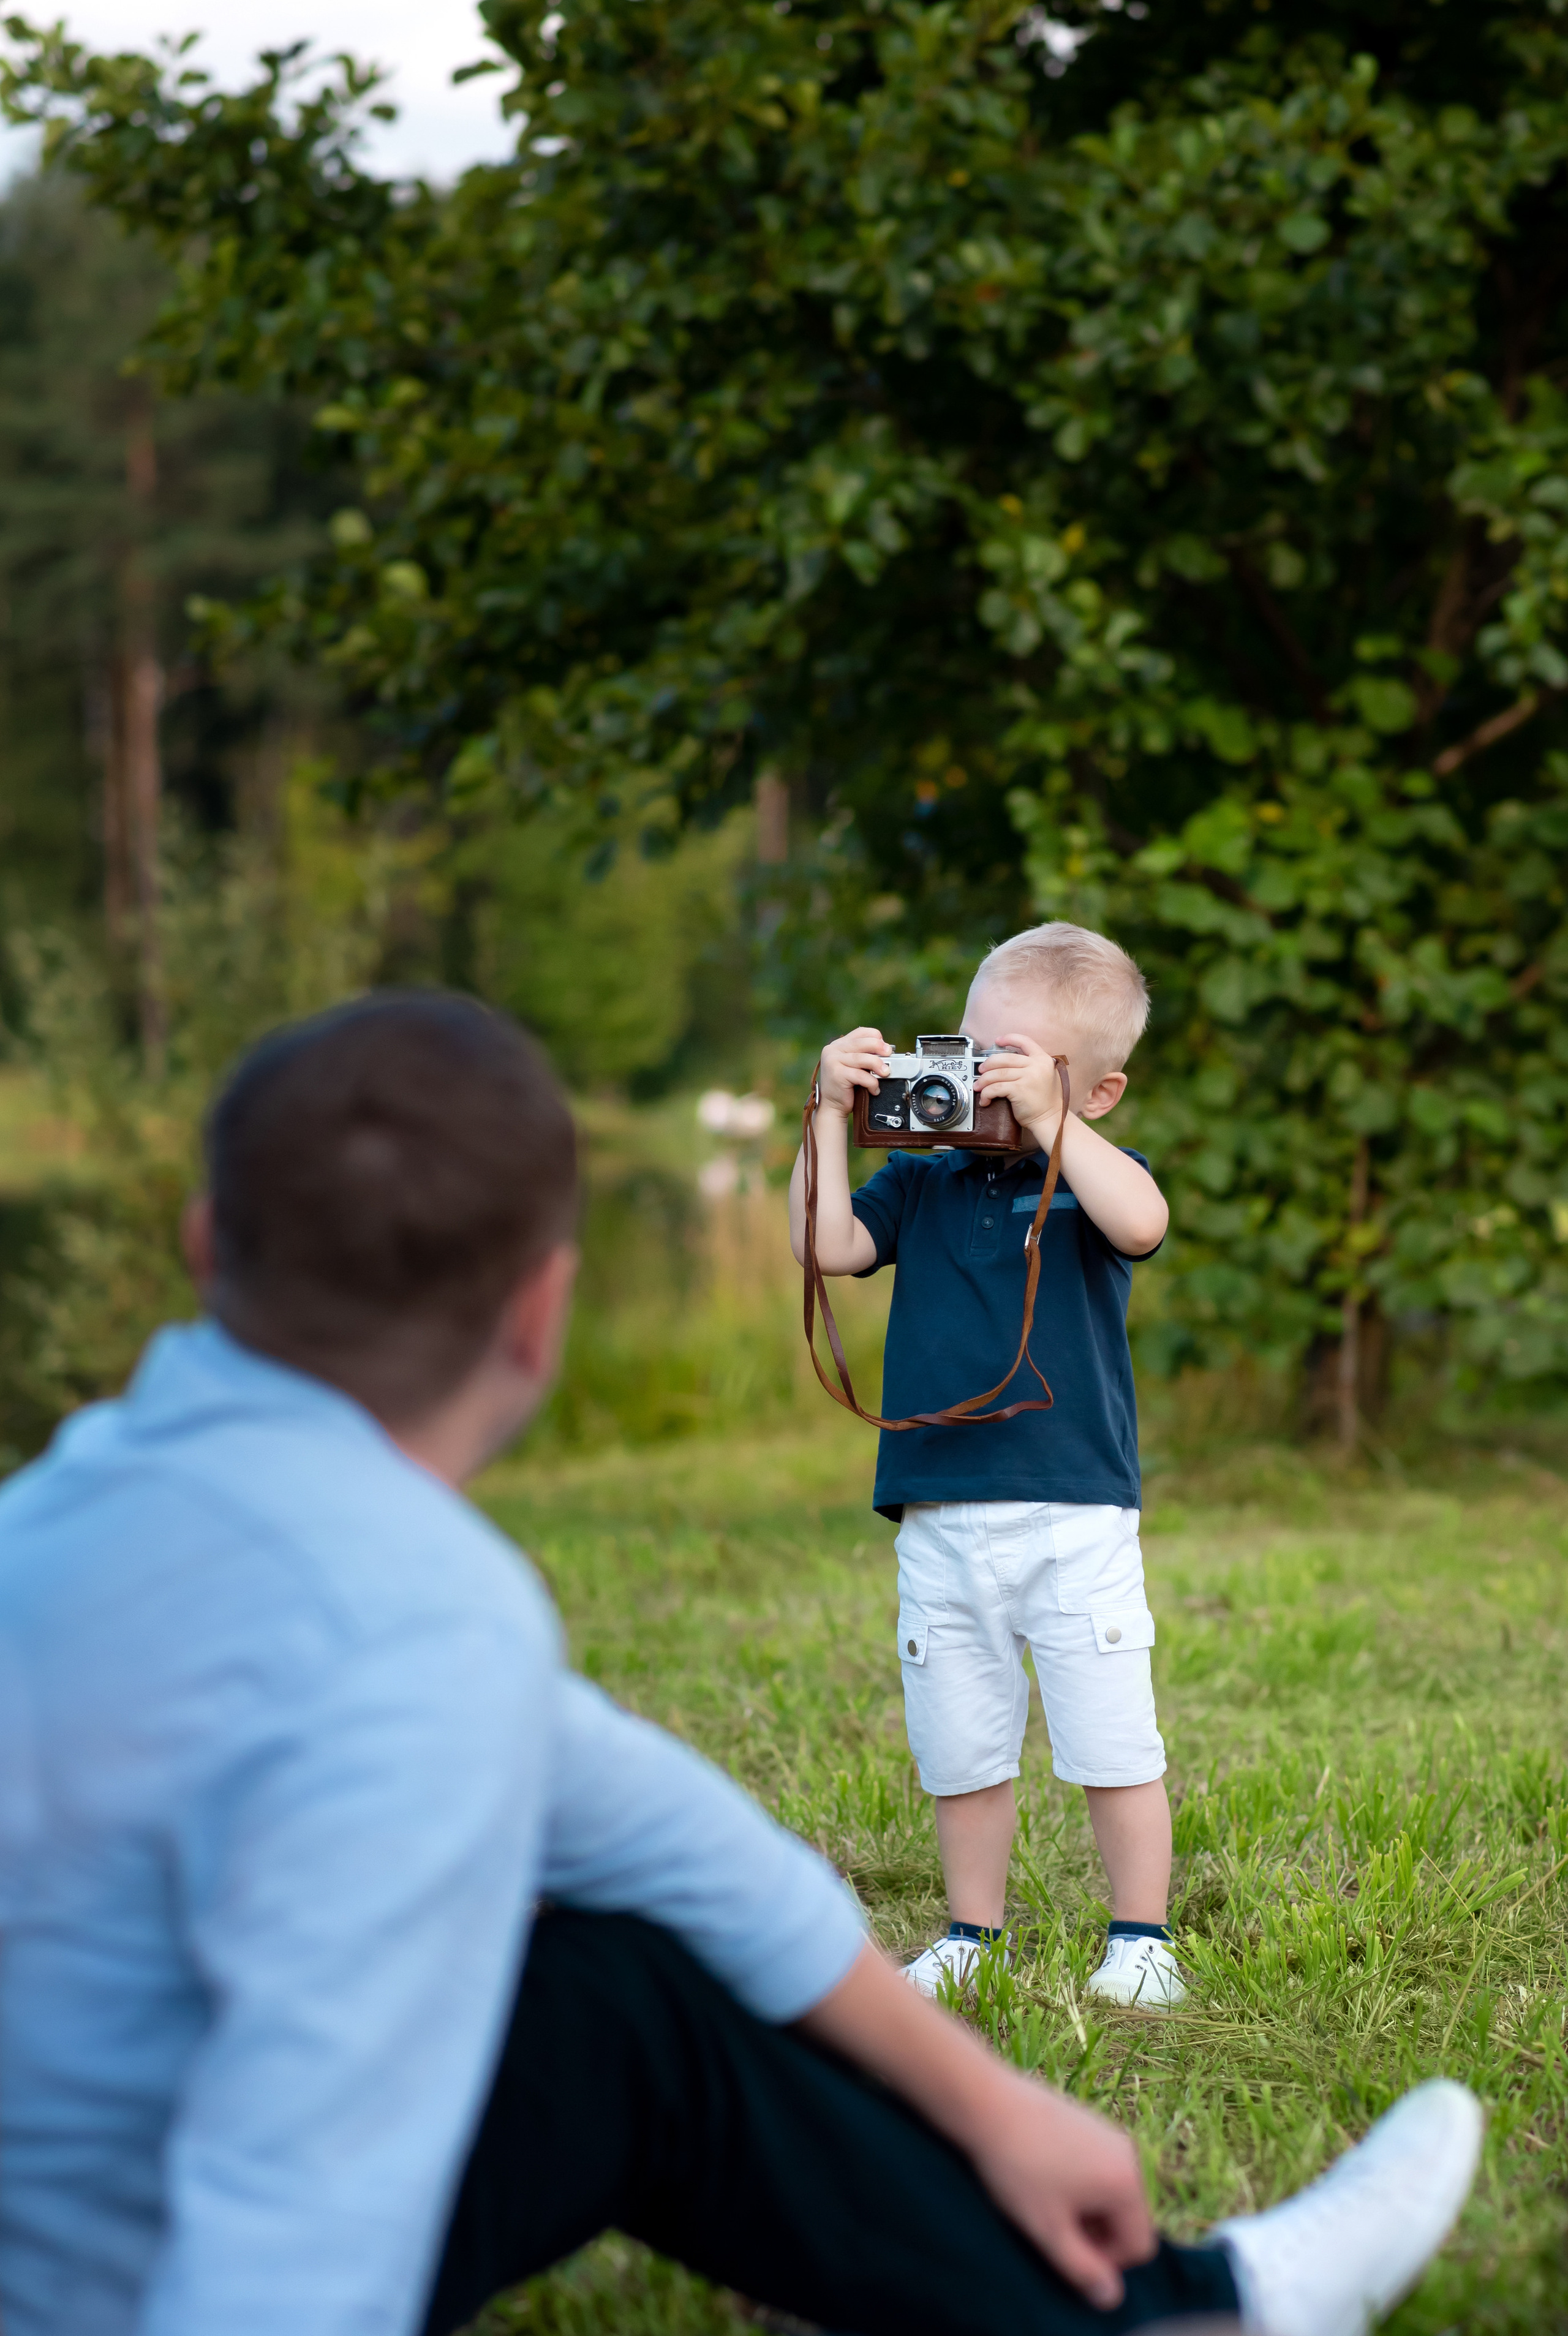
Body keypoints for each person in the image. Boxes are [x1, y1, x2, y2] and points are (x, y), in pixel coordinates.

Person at [0, 990, 1482, 2336]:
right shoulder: (422, 1613)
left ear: (205, 1246)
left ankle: (1190, 2298)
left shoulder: (43, 1529)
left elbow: (680, 1845)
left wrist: (988, 2102)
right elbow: (277, 2226)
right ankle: (1181, 2316)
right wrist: (826, 1125)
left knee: (621, 1979)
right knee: (622, 2001)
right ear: (542, 1310)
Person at [788, 925, 1181, 2006]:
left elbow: (1144, 1225)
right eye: (970, 1051)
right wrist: (826, 1110)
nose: (983, 1082)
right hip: (940, 1514)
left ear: (1097, 1092)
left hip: (1076, 1516)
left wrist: (1055, 1129)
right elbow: (824, 1247)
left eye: (1018, 1064)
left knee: (1113, 1736)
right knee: (959, 1746)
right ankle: (972, 1932)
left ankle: (1141, 1939)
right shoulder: (923, 1180)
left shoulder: (1100, 1171)